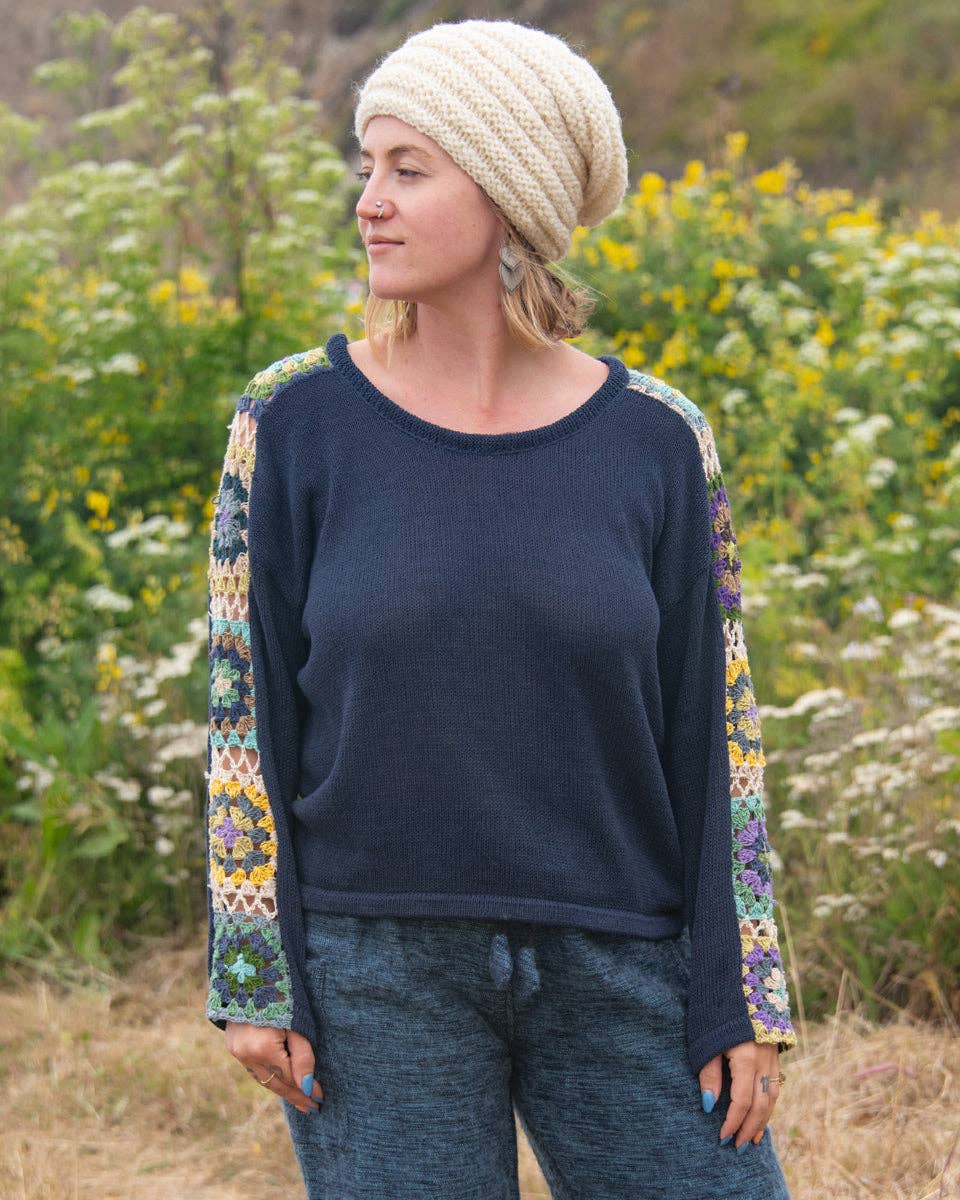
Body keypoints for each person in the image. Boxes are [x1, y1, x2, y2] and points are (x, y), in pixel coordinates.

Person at [204, 18, 798, 1200]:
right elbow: (244, 710)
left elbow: (714, 730)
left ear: (509, 196)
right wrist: (254, 966)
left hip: (625, 957)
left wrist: (743, 989)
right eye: (368, 166)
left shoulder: (659, 441)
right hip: (376, 973)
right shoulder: (293, 421)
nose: (370, 202)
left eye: (409, 169)